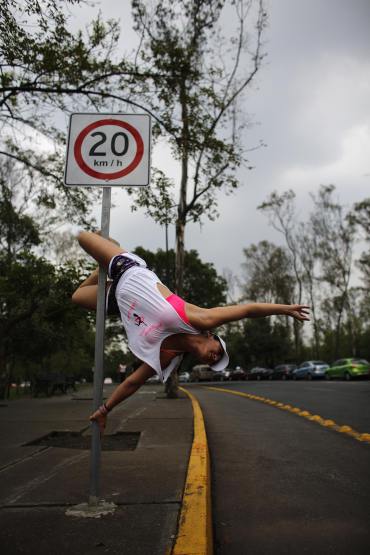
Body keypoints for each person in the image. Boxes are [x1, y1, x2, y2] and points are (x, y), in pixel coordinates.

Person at [72, 231, 310, 432]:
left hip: (118, 300)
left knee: (77, 297)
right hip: (130, 270)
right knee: (82, 237)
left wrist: (105, 410)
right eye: (219, 352)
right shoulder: (199, 319)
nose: (215, 358)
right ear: (211, 337)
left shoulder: (169, 357)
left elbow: (133, 382)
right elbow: (247, 310)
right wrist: (284, 309)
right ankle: (110, 251)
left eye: (216, 361)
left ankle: (101, 269)